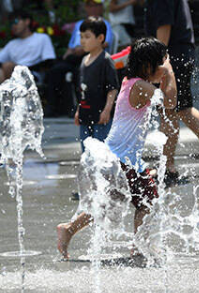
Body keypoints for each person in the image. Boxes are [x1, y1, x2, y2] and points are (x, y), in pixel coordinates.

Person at [57, 37, 177, 259]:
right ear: (147, 66)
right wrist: (169, 72)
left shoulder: (131, 81)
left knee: (111, 202)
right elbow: (170, 102)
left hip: (120, 158)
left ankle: (69, 229)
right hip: (122, 159)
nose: (163, 67)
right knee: (147, 200)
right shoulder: (139, 86)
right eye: (160, 63)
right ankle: (139, 247)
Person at [145, 0, 199, 186]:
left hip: (172, 59)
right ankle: (169, 164)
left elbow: (164, 28)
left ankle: (170, 165)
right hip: (178, 56)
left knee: (175, 110)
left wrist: (157, 63)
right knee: (176, 110)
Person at [45, 0, 115, 117]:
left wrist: (84, 49)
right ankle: (53, 108)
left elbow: (105, 43)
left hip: (92, 56)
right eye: (89, 6)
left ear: (101, 7)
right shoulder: (79, 24)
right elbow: (71, 45)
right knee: (55, 71)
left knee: (79, 72)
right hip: (74, 57)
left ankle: (81, 107)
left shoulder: (104, 23)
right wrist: (66, 55)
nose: (92, 9)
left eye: (95, 5)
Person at [74, 16, 119, 152]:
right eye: (81, 37)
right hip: (85, 114)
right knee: (86, 152)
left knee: (101, 152)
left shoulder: (105, 60)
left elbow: (112, 88)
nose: (82, 41)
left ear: (100, 38)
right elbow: (82, 90)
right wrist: (78, 110)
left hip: (101, 116)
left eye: (87, 37)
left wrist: (107, 110)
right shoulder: (83, 61)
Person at [0, 11, 55, 83]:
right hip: (14, 74)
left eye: (15, 21)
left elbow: (49, 61)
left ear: (27, 21)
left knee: (8, 66)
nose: (13, 25)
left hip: (33, 74)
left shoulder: (42, 38)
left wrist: (24, 68)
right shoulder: (12, 44)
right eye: (11, 23)